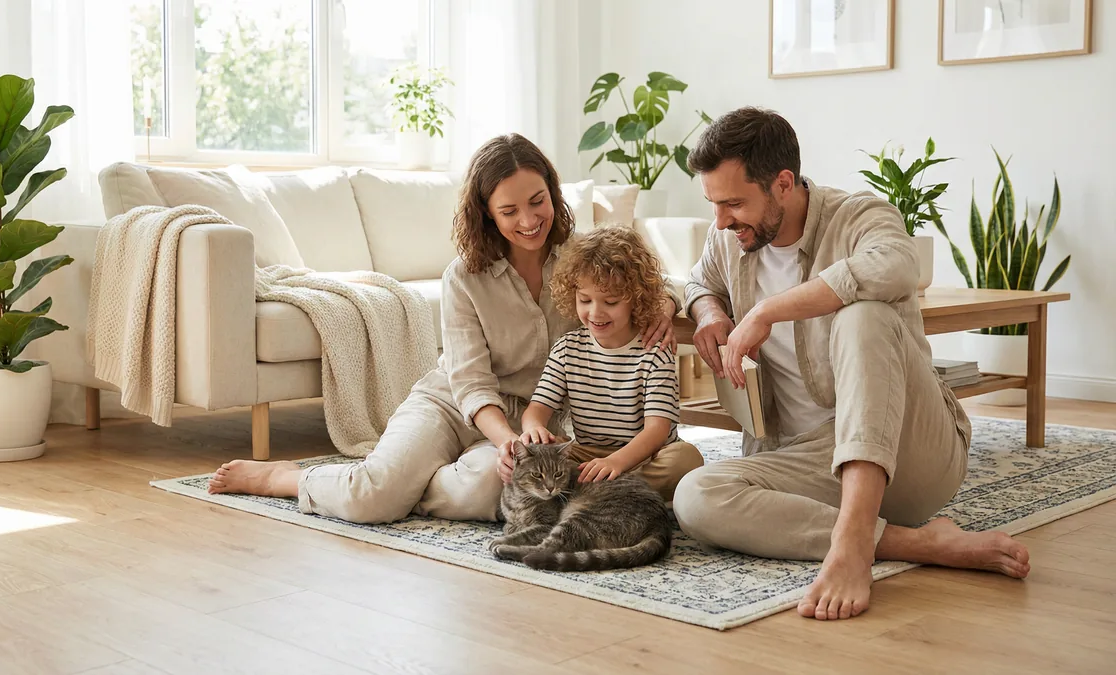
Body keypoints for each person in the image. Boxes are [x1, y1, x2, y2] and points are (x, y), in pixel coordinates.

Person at [207, 133, 682, 523]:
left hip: (531, 419)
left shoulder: (582, 258)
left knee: (486, 495)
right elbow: (471, 382)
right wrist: (505, 442)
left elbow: (644, 282)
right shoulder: (464, 275)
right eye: (509, 211)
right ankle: (287, 479)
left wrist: (665, 301)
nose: (529, 220)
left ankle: (401, 487)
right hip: (451, 403)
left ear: (552, 194)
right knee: (371, 500)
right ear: (488, 214)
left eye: (538, 202)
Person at [671, 107, 1031, 621]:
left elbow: (895, 265)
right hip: (810, 459)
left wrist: (767, 310)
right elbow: (699, 281)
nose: (721, 220)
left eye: (733, 203)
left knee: (862, 314)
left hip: (911, 454)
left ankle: (854, 541)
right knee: (696, 496)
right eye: (713, 204)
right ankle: (920, 544)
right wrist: (707, 310)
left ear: (783, 183)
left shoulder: (860, 215)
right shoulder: (727, 237)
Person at [520, 227, 705, 503]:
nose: (595, 312)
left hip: (646, 456)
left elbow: (657, 430)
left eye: (611, 301)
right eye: (585, 300)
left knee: (686, 461)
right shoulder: (567, 348)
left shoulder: (655, 350)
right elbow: (536, 411)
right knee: (543, 467)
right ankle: (609, 493)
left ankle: (595, 493)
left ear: (637, 299)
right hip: (587, 455)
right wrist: (534, 428)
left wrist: (617, 463)